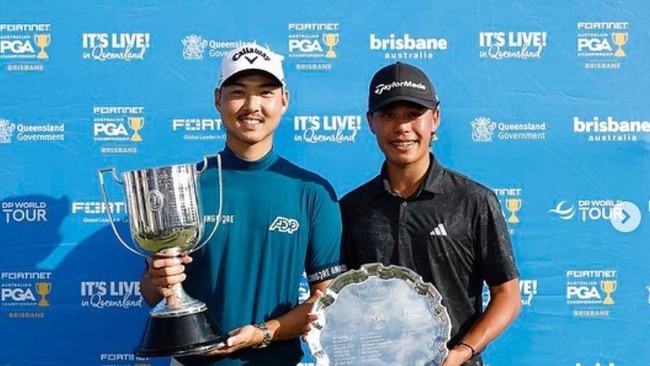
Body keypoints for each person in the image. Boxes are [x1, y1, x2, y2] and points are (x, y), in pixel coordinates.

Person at [140, 43, 344, 366]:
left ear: (284, 101)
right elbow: (153, 294)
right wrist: (157, 277)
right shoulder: (185, 186)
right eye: (238, 92)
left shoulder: (312, 192)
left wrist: (265, 332)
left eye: (265, 93)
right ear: (217, 99)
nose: (252, 105)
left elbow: (329, 302)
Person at [340, 61, 521, 366]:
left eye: (413, 115)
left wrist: (461, 352)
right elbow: (340, 303)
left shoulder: (474, 200)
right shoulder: (351, 208)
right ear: (371, 122)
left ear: (434, 118)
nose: (402, 128)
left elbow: (508, 295)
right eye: (388, 115)